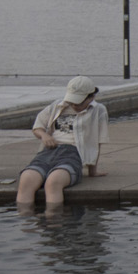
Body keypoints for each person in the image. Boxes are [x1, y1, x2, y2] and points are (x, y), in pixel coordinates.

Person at [17, 76, 109, 206]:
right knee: (26, 179)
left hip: (73, 153)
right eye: (72, 102)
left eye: (79, 103)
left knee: (53, 182)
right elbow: (38, 127)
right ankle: (26, 222)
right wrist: (44, 136)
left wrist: (92, 170)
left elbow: (97, 141)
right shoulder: (57, 106)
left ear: (90, 97)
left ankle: (54, 220)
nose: (74, 105)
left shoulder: (98, 110)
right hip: (50, 150)